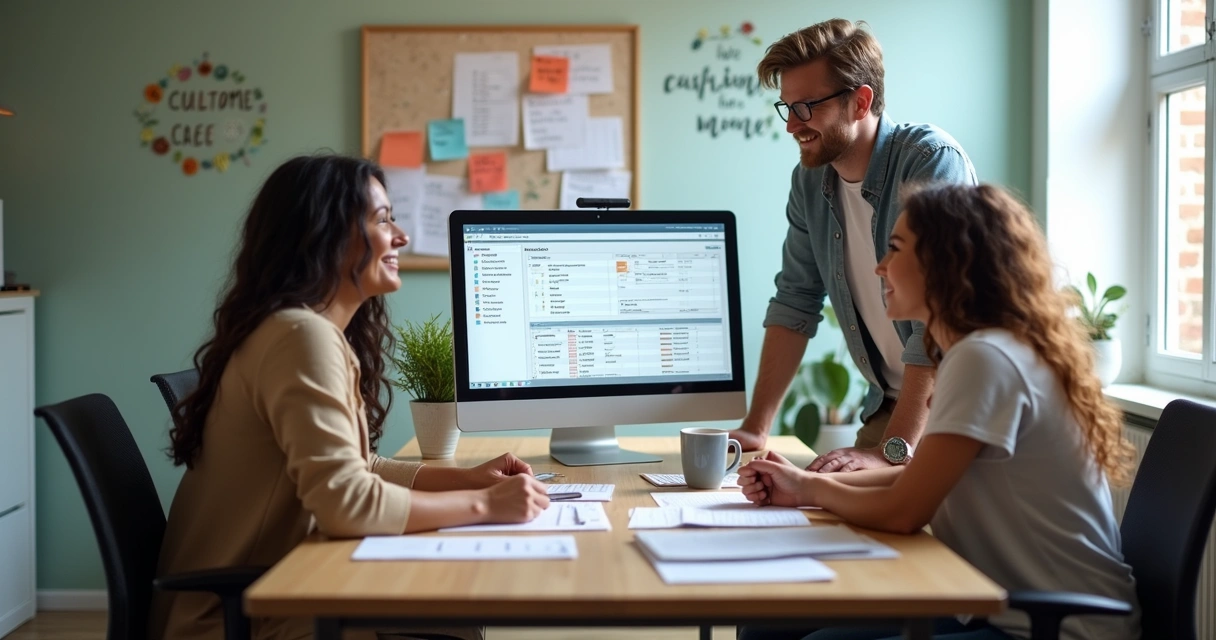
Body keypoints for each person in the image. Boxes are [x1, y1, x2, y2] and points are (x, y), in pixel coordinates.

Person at [149, 154, 550, 640]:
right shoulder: (299, 337)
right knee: (455, 611)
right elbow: (348, 503)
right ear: (325, 235)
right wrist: (485, 505)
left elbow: (359, 469)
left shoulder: (300, 331)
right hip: (240, 619)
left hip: (282, 589)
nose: (401, 237)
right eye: (382, 220)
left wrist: (466, 480)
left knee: (457, 614)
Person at [737, 183, 1141, 640]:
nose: (880, 266)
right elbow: (916, 477)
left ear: (947, 262)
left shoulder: (985, 359)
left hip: (1058, 627)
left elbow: (904, 510)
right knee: (769, 629)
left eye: (895, 248)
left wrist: (813, 489)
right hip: (997, 605)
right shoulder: (981, 351)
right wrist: (803, 486)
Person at [728, 19, 977, 473]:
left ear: (860, 102)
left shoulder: (930, 163)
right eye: (787, 108)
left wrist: (890, 452)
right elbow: (795, 300)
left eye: (806, 107)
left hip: (953, 409)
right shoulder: (809, 182)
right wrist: (755, 428)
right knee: (814, 504)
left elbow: (937, 318)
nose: (792, 126)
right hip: (889, 405)